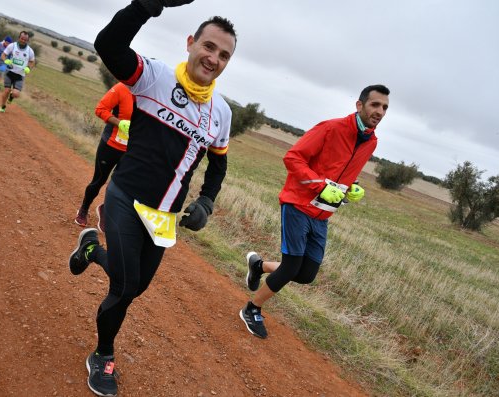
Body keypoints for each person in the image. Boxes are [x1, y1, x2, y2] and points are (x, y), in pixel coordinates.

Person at [68, 0, 236, 395]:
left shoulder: (221, 113)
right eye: (209, 47)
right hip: (126, 196)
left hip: (165, 215)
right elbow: (108, 44)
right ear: (191, 42)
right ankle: (103, 356)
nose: (214, 58)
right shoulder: (154, 77)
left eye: (224, 55)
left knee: (137, 286)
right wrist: (144, 5)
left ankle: (92, 250)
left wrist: (207, 201)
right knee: (124, 288)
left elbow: (218, 166)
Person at [239, 85, 390, 339]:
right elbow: (293, 158)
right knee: (290, 267)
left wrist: (353, 188)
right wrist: (320, 185)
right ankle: (252, 309)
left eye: (385, 107)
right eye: (375, 105)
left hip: (322, 214)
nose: (380, 111)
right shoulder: (331, 128)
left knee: (306, 274)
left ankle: (259, 266)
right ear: (359, 105)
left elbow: (342, 173)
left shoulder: (370, 142)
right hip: (298, 204)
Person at [74, 82, 134, 231]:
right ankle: (84, 209)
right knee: (99, 180)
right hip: (111, 145)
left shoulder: (150, 96)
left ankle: (105, 211)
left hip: (132, 150)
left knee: (119, 186)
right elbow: (100, 109)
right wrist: (119, 123)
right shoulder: (121, 88)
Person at [0, 31, 34, 113]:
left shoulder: (30, 51)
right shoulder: (12, 46)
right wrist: (6, 60)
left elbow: (32, 61)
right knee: (6, 90)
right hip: (9, 72)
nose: (23, 40)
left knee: (16, 94)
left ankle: (11, 97)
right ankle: (3, 106)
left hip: (20, 75)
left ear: (27, 40)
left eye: (25, 39)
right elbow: (3, 55)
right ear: (19, 38)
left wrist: (28, 67)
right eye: (22, 38)